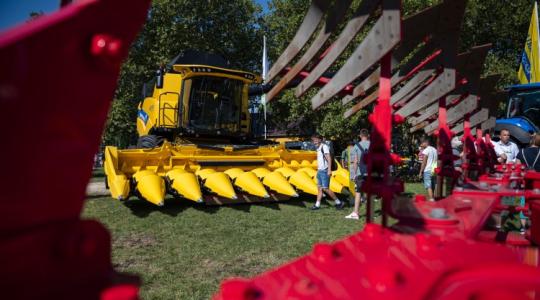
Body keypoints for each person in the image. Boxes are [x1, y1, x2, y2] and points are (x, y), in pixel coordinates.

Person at [311, 133, 345, 210]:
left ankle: (339, 202)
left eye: (315, 140)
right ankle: (317, 205)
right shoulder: (319, 148)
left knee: (325, 188)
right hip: (320, 171)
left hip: (325, 171)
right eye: (313, 141)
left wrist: (329, 170)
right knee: (319, 188)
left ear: (320, 140)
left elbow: (329, 158)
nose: (314, 142)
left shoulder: (324, 147)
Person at [345, 129, 371, 220]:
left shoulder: (356, 146)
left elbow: (355, 162)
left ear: (360, 136)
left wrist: (354, 174)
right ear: (368, 135)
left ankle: (356, 213)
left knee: (358, 192)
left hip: (361, 173)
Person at [418, 137, 437, 201]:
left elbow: (424, 162)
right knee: (433, 185)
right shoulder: (435, 149)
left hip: (428, 169)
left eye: (421, 143)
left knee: (428, 186)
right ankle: (433, 198)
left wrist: (420, 172)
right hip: (434, 169)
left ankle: (432, 200)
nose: (420, 145)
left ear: (425, 142)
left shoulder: (426, 150)